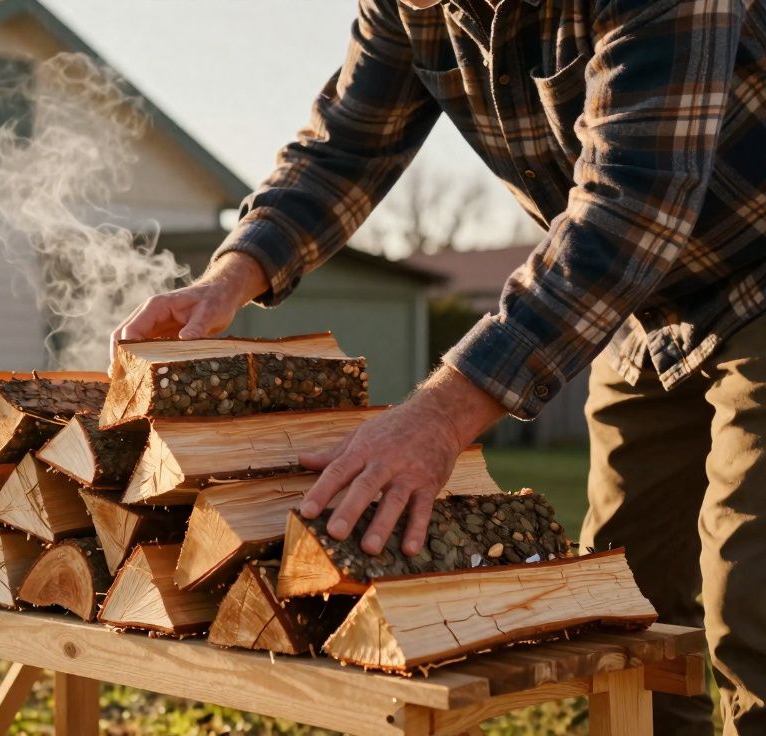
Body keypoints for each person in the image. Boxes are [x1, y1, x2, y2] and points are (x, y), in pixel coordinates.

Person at [113, 1, 764, 733]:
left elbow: (633, 207)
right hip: (640, 310)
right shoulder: (411, 8)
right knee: (628, 601)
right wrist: (231, 276)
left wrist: (440, 415)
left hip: (741, 263)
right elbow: (344, 148)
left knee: (754, 596)